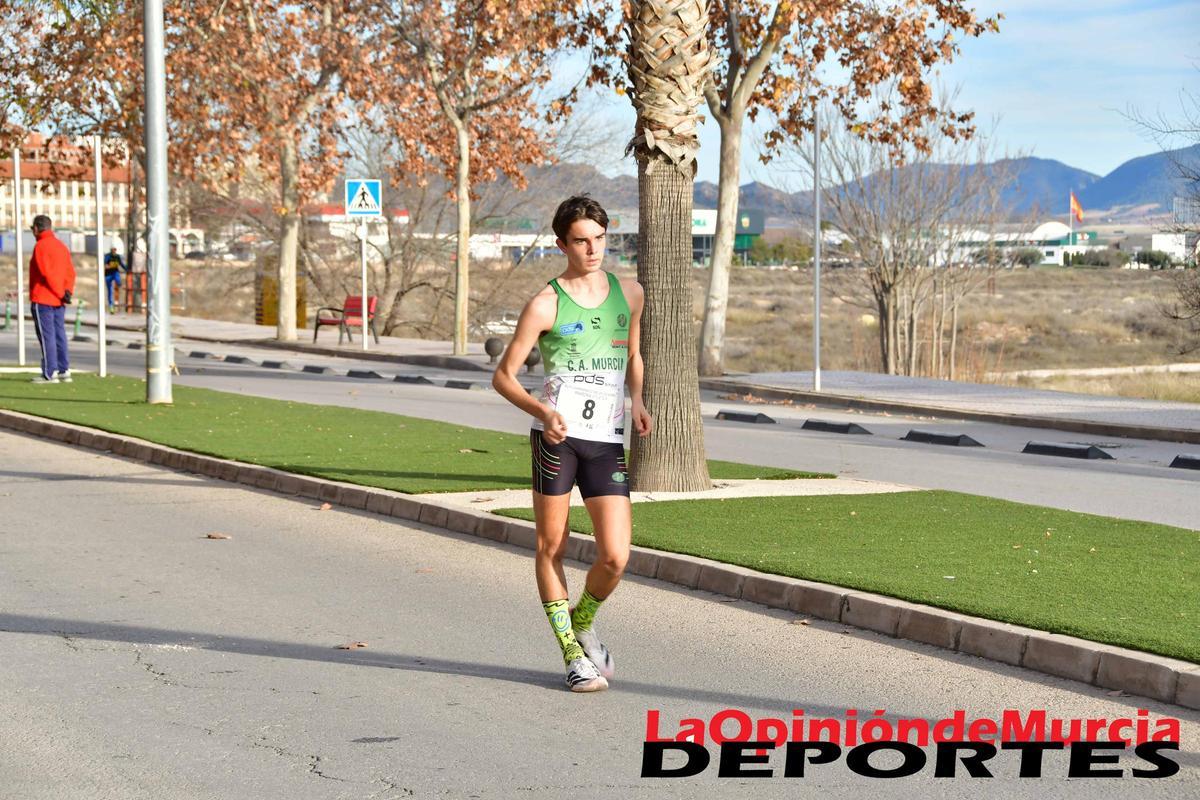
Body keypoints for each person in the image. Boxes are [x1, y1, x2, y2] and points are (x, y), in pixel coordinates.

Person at [492, 196, 653, 693]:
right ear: (562, 244)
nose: (592, 248)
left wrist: (639, 399)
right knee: (551, 546)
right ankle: (571, 655)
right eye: (581, 240)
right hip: (556, 440)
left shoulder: (630, 294)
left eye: (600, 238)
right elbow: (503, 377)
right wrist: (542, 412)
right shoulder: (545, 303)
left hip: (606, 440)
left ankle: (583, 622)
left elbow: (634, 353)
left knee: (615, 556)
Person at [28, 215, 76, 384]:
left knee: (47, 336)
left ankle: (50, 372)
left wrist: (59, 292)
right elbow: (70, 272)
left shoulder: (40, 246)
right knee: (59, 334)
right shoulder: (61, 246)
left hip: (43, 298)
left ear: (36, 229)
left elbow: (46, 273)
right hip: (59, 299)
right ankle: (64, 369)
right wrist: (67, 291)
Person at [103, 246, 125, 313]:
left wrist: (127, 269)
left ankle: (119, 285)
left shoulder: (117, 256)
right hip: (108, 274)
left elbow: (121, 264)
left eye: (115, 250)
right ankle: (111, 306)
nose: (114, 251)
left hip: (115, 273)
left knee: (117, 279)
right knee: (110, 290)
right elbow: (105, 264)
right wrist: (109, 266)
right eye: (113, 249)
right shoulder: (108, 256)